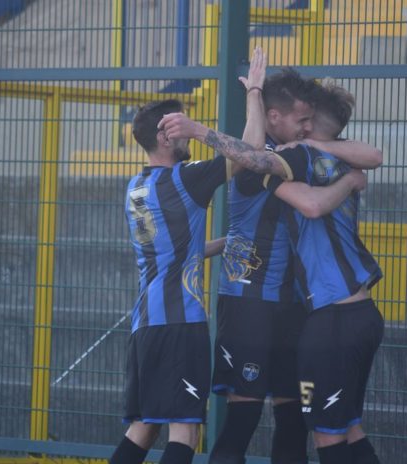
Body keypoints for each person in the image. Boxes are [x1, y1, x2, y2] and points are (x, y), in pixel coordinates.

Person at [113, 98, 310, 464]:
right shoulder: (184, 179)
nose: (187, 133)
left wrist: (227, 243)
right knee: (185, 431)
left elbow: (173, 250)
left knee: (143, 427)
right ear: (165, 136)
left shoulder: (136, 186)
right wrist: (251, 94)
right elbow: (249, 152)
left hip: (144, 325)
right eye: (181, 126)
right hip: (179, 324)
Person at [209, 48, 381, 464]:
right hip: (251, 302)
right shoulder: (267, 159)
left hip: (299, 307)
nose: (305, 126)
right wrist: (251, 95)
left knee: (296, 423)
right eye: (300, 119)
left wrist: (319, 145)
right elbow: (253, 159)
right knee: (245, 419)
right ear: (274, 117)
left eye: (309, 120)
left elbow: (371, 156)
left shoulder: (309, 153)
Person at [262, 78, 385, 464]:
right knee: (349, 427)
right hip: (360, 314)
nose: (299, 124)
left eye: (304, 119)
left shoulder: (300, 156)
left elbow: (311, 205)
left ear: (310, 123)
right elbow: (374, 155)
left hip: (333, 321)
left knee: (327, 435)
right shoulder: (344, 158)